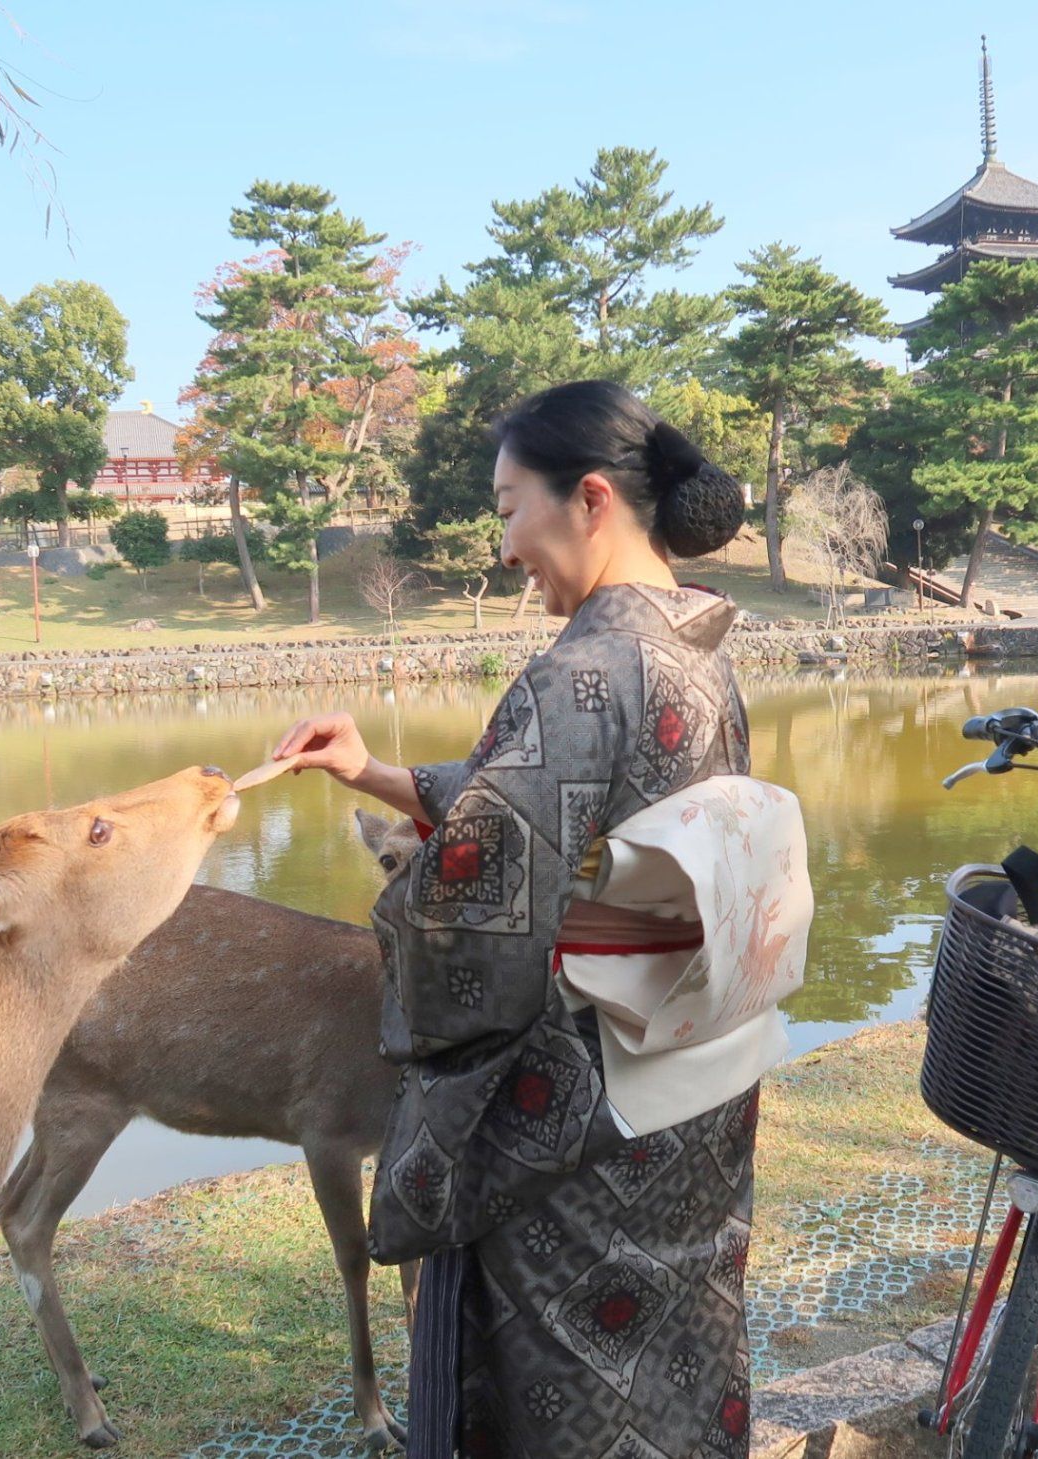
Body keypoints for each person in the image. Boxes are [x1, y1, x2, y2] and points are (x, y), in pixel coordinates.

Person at [272, 379, 809, 1458]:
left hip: (585, 1110)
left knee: (564, 1374)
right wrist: (372, 770)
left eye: (510, 506)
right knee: (678, 1343)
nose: (505, 542)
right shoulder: (694, 650)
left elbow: (474, 906)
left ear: (590, 498)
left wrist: (409, 902)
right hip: (694, 1079)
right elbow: (537, 803)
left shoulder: (581, 671)